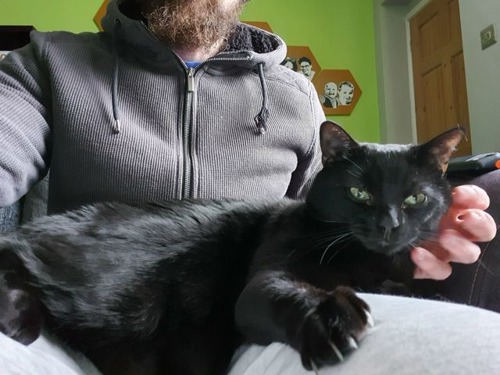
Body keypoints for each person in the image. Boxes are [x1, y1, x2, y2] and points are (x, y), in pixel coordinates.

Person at [0, 0, 499, 374]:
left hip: (248, 342)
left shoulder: (296, 97)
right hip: (69, 325)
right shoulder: (45, 63)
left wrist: (413, 257)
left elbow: (314, 226)